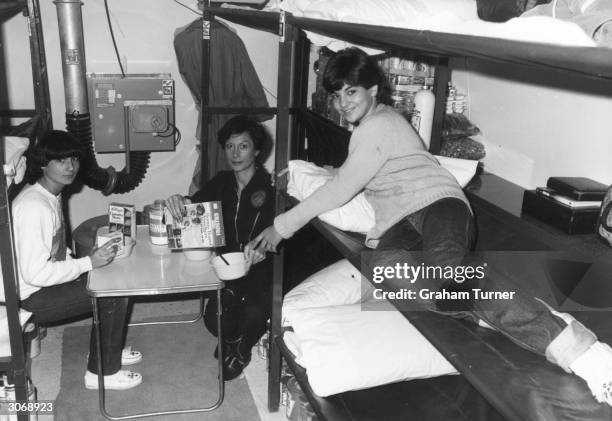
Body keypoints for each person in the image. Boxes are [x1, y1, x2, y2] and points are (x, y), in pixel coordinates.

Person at [247, 47, 612, 406]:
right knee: (384, 269)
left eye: (351, 91)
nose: (342, 102)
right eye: (336, 94)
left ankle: (581, 351)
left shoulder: (382, 124)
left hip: (439, 204)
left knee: (450, 272)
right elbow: (350, 175)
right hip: (402, 220)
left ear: (373, 90)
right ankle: (492, 309)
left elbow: (342, 189)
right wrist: (319, 173)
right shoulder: (367, 132)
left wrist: (283, 226)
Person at [13, 130, 142, 391]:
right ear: (42, 163)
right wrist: (88, 263)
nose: (70, 166)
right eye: (61, 160)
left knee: (114, 276)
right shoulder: (34, 207)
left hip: (41, 285)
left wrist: (91, 259)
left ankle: (105, 351)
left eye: (74, 159)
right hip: (30, 297)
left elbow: (55, 250)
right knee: (113, 294)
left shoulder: (49, 194)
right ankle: (101, 373)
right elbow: (34, 274)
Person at [166, 115, 273, 380]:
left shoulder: (271, 188)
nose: (235, 153)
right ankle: (234, 337)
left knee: (254, 312)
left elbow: (282, 233)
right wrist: (180, 200)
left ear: (257, 150)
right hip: (228, 267)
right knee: (214, 320)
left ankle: (241, 350)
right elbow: (196, 205)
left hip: (263, 266)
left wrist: (264, 250)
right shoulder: (223, 181)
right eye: (230, 146)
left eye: (243, 146)